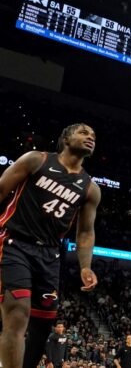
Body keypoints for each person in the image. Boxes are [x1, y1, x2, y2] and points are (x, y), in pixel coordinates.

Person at [0, 123, 101, 368]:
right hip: (15, 243)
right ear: (66, 138)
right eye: (83, 132)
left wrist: (85, 267)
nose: (90, 137)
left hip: (49, 254)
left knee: (43, 325)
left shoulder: (90, 188)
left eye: (94, 136)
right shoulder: (36, 160)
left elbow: (85, 232)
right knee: (18, 312)